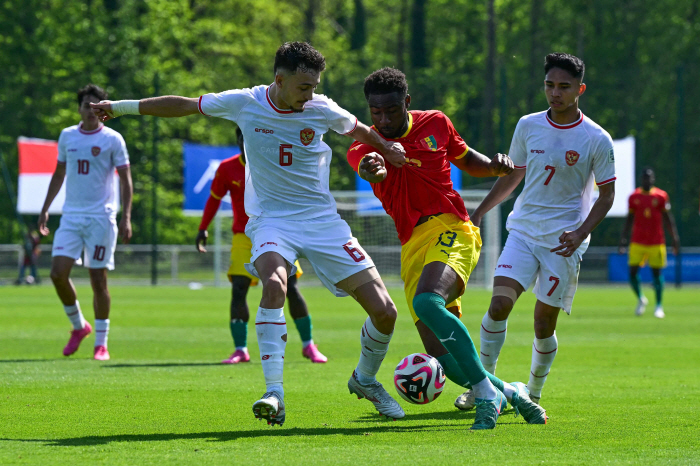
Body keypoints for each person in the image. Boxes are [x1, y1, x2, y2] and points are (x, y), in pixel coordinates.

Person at [92, 42, 408, 426]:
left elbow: (356, 129)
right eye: (304, 87)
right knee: (274, 284)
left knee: (386, 312)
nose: (310, 95)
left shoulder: (321, 107)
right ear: (280, 79)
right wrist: (122, 107)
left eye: (314, 86)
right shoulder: (245, 102)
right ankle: (274, 392)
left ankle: (365, 379)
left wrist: (388, 148)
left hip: (323, 221)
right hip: (271, 221)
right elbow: (184, 105)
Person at [347, 67, 547, 430]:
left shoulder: (436, 123)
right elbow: (366, 166)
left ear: (406, 102)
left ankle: (486, 396)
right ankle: (513, 393)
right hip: (412, 246)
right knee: (446, 358)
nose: (384, 119)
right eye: (375, 112)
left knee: (427, 302)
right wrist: (373, 169)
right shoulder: (365, 145)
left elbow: (467, 159)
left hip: (454, 227)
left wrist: (495, 166)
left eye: (391, 110)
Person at [455, 52, 616, 409]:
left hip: (563, 244)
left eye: (563, 87)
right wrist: (481, 210)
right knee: (498, 305)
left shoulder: (596, 138)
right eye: (549, 85)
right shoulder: (527, 125)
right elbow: (514, 174)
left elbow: (607, 196)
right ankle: (483, 387)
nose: (555, 93)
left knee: (543, 325)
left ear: (580, 89)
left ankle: (534, 390)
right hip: (524, 232)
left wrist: (579, 233)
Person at [196, 127, 328, 364]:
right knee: (238, 289)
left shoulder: (274, 164)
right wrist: (203, 227)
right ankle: (240, 349)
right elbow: (214, 199)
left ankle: (309, 345)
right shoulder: (227, 168)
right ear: (237, 140)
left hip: (277, 234)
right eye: (241, 138)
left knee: (292, 288)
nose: (245, 143)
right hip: (243, 237)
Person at [38, 84, 133, 361]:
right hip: (71, 216)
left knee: (97, 280)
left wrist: (125, 215)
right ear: (79, 108)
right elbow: (58, 174)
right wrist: (45, 209)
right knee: (57, 273)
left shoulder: (113, 139)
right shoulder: (67, 136)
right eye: (86, 105)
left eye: (96, 106)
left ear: (102, 109)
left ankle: (101, 344)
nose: (90, 111)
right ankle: (80, 326)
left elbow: (126, 179)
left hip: (101, 218)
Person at [619, 168, 680, 318]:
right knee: (632, 272)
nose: (648, 180)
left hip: (656, 241)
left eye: (650, 178)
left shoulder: (661, 196)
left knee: (657, 273)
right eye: (645, 178)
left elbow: (668, 218)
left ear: (653, 179)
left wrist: (674, 238)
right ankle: (641, 298)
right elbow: (629, 218)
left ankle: (659, 306)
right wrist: (623, 238)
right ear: (642, 179)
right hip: (637, 241)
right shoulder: (634, 196)